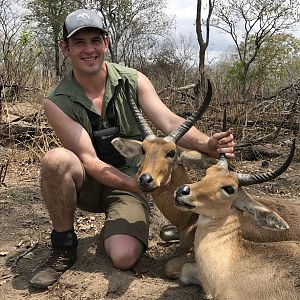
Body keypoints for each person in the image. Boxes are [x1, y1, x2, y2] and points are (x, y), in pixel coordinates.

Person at [30, 8, 235, 289]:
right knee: (56, 160)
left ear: (106, 42)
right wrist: (136, 183)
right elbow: (88, 159)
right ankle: (64, 246)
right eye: (79, 42)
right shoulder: (57, 100)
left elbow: (170, 121)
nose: (88, 49)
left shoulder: (133, 79)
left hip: (130, 184)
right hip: (90, 182)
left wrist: (207, 143)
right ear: (65, 47)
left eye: (95, 40)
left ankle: (120, 229)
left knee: (124, 257)